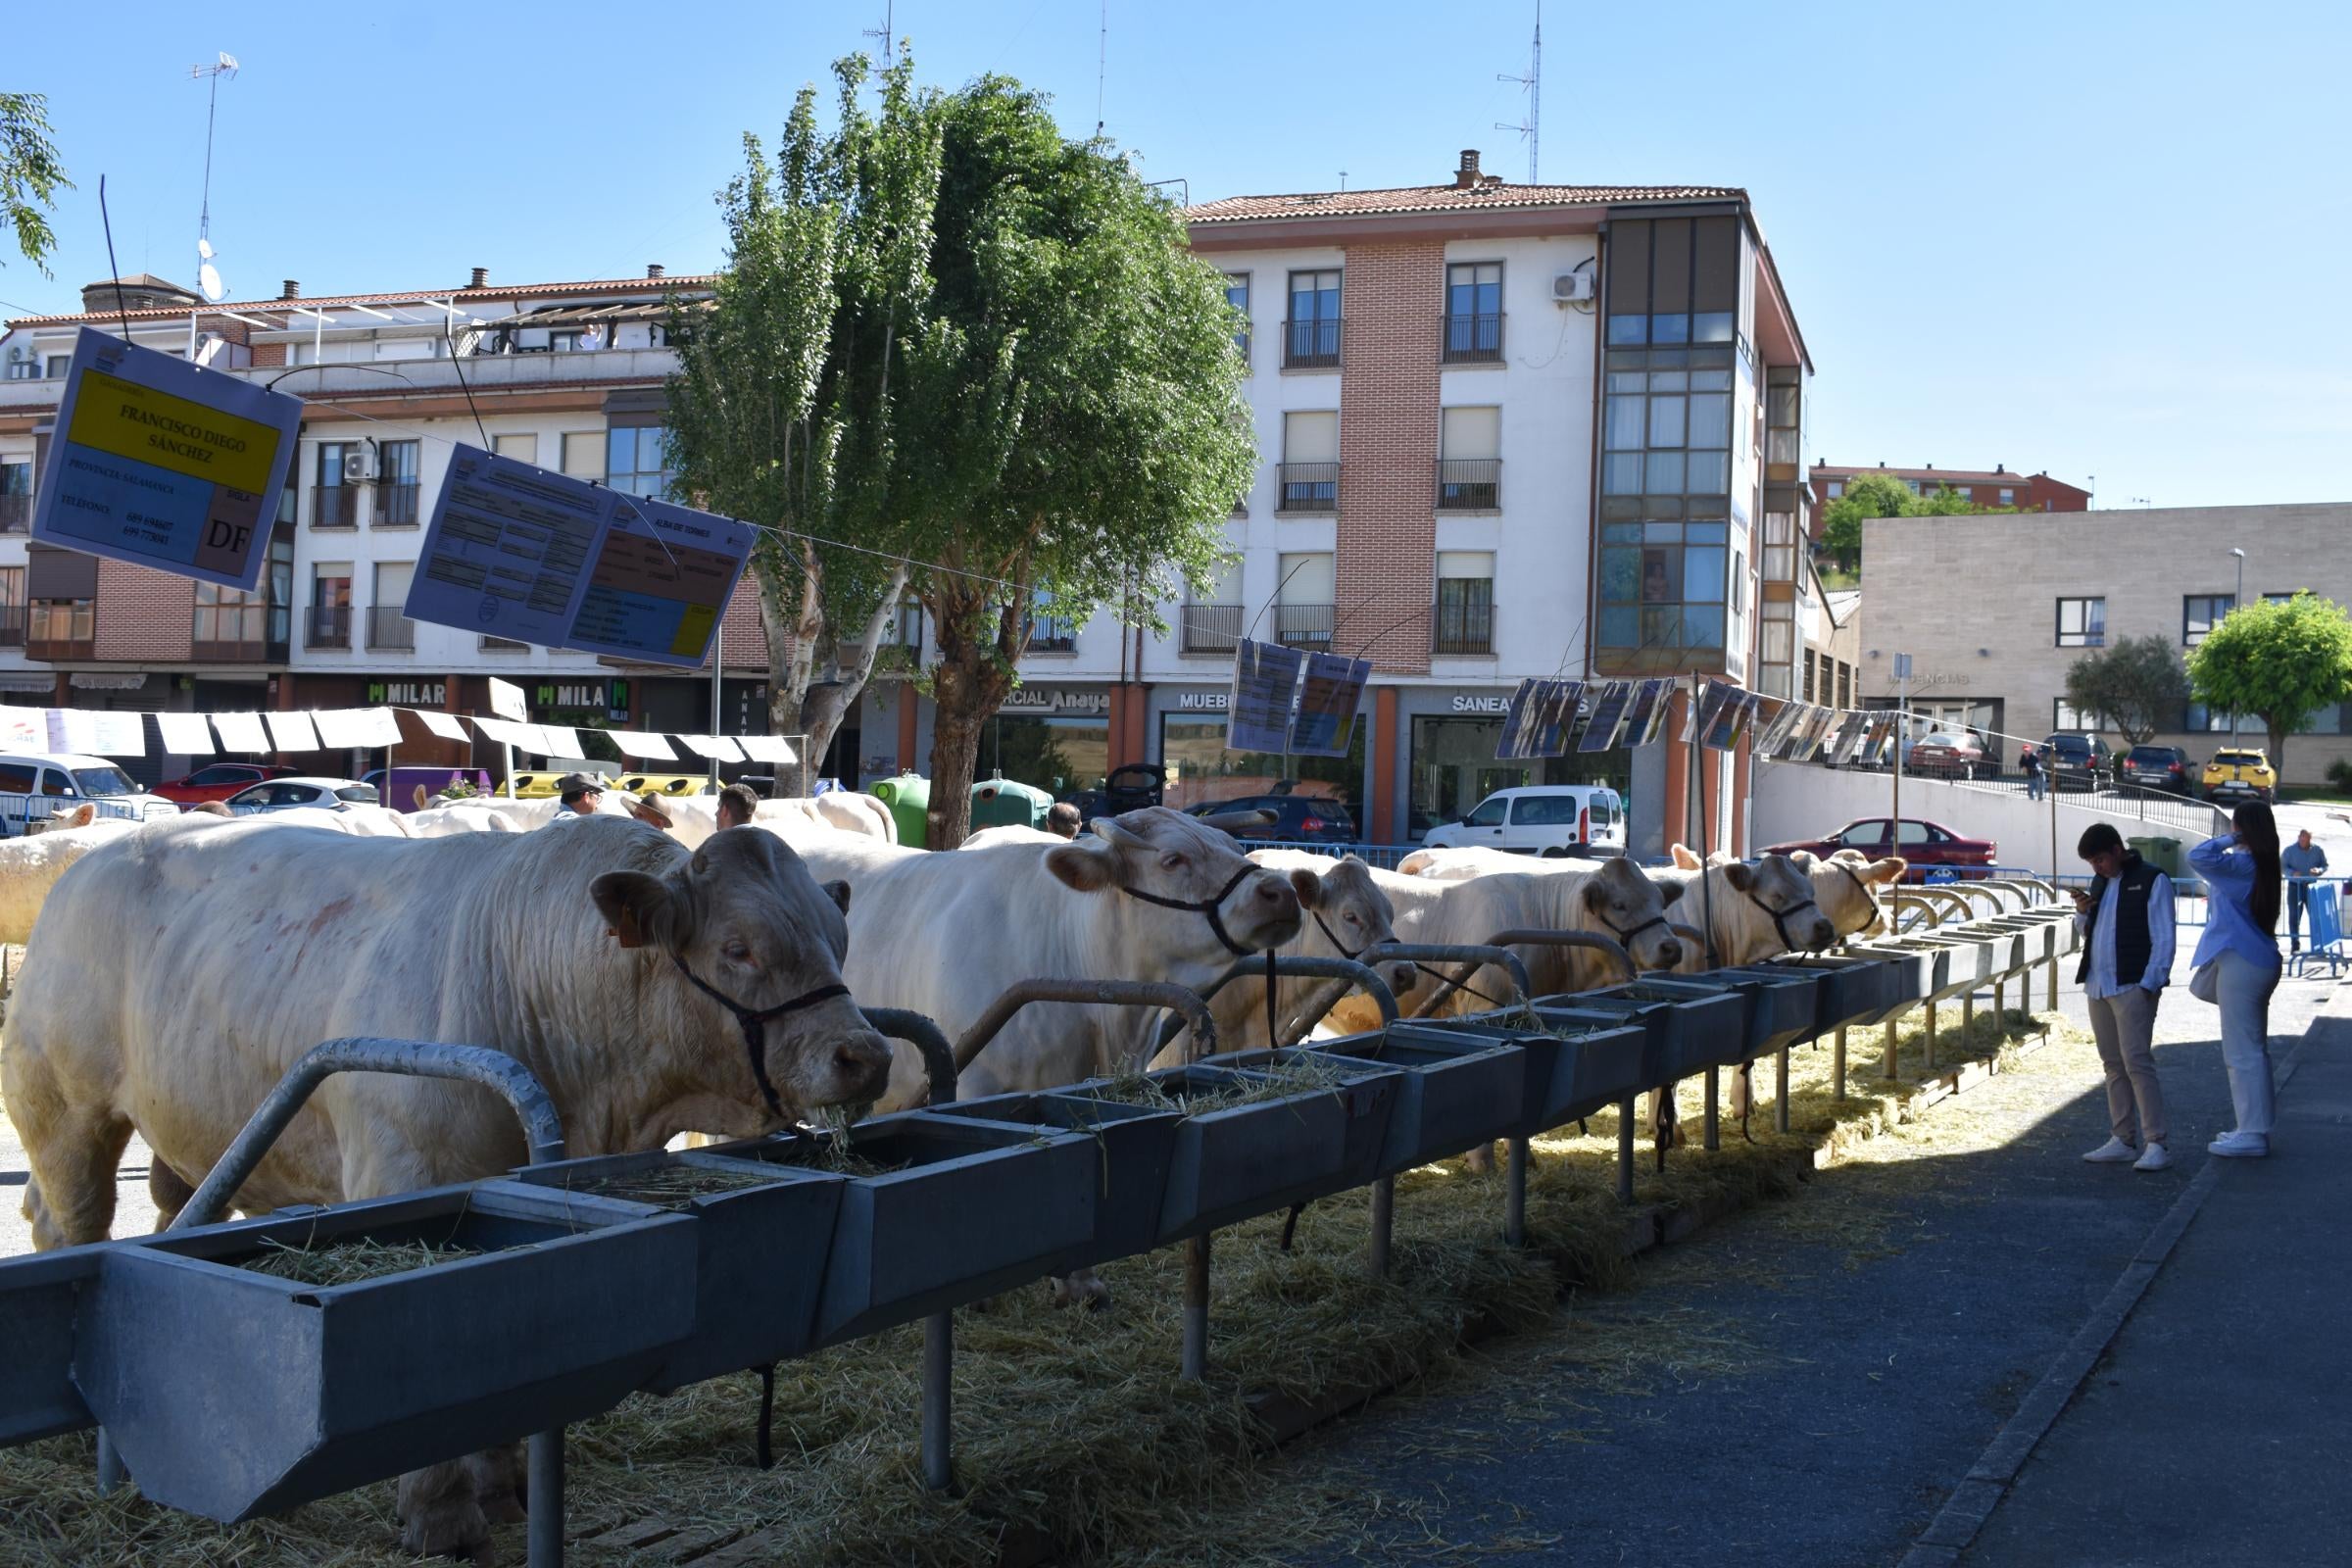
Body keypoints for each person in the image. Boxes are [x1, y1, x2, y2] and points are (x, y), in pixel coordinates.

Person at [2071, 822, 2176, 1172]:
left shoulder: (2152, 878)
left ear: (2117, 850)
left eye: (2099, 859)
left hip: (2132, 986)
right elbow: (2091, 932)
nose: (2096, 868)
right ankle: (2123, 1138)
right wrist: (2083, 912)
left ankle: (2156, 1142)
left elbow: (2164, 937)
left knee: (2137, 1064)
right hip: (2099, 984)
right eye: (2091, 863)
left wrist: (2150, 984)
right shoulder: (2101, 882)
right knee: (2113, 1065)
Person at [2187, 803, 2284, 1158]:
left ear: (2243, 827)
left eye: (2235, 823)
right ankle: (2250, 1128)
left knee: (2242, 1051)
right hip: (2251, 959)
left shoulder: (2242, 864)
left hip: (2241, 960)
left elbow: (2197, 856)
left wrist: (2231, 837)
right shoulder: (2259, 864)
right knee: (2251, 1049)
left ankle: (2252, 1133)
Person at [2281, 827, 2329, 954]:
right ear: (2298, 838)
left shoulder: (2317, 850)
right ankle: (2295, 945)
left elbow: (2324, 865)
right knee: (2294, 917)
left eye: (2306, 838)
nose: (2303, 840)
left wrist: (2318, 871)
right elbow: (2282, 866)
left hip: (2311, 887)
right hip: (2294, 887)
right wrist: (2292, 873)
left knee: (2315, 916)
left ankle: (2319, 945)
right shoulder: (2289, 850)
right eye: (2301, 838)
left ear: (2310, 839)